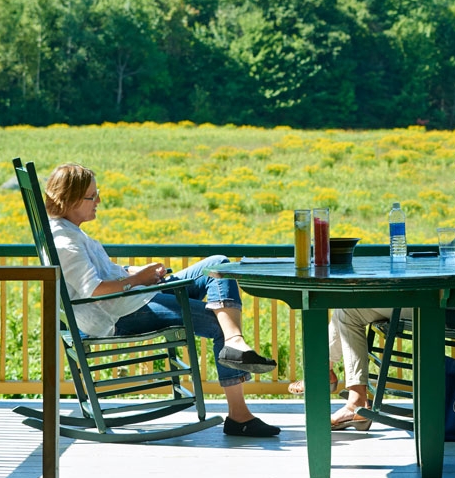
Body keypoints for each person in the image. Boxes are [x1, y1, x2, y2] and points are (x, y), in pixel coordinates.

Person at [293, 146, 455, 430]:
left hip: (451, 309)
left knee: (349, 310)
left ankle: (349, 395)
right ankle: (341, 386)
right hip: (444, 300)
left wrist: (431, 280)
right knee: (349, 310)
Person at [45, 162, 280, 438]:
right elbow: (94, 289)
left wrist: (134, 272)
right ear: (70, 199)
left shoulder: (71, 231)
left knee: (218, 264)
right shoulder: (65, 241)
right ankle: (239, 415)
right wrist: (138, 280)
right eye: (92, 196)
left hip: (134, 297)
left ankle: (234, 342)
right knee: (219, 323)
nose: (99, 201)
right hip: (120, 313)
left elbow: (100, 273)